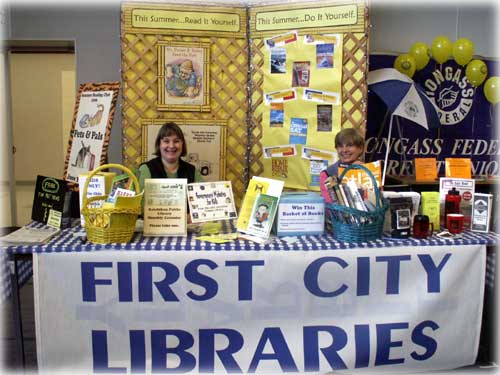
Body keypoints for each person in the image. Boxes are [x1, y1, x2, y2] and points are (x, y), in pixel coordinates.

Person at [136, 122, 203, 192]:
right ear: (159, 144)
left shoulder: (192, 171)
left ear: (182, 144)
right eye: (166, 141)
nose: (171, 146)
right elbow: (138, 201)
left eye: (176, 141)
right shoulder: (146, 169)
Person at [319, 127, 364, 203]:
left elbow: (375, 201)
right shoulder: (327, 174)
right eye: (340, 146)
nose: (344, 150)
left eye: (350, 145)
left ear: (360, 148)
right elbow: (330, 205)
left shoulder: (370, 171)